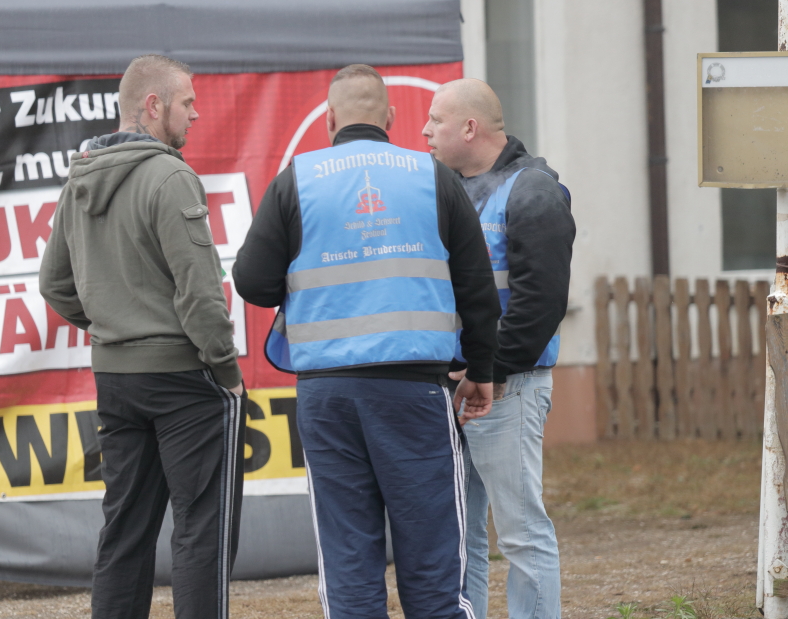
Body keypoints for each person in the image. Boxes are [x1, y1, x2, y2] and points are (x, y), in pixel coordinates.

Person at [234, 64, 500, 619]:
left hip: (327, 396)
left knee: (348, 556)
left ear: (330, 119)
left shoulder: (297, 179)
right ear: (391, 117)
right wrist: (480, 370)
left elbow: (252, 281)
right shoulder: (432, 177)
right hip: (415, 393)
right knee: (433, 557)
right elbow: (478, 289)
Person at [39, 54, 245, 619]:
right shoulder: (171, 176)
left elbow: (54, 284)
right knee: (201, 531)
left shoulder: (79, 179)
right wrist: (227, 373)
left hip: (116, 379)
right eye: (188, 102)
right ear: (153, 106)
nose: (195, 114)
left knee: (125, 530)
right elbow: (201, 294)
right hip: (184, 380)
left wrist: (115, 328)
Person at [422, 78, 575, 619]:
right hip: (454, 386)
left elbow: (541, 304)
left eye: (436, 119)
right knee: (459, 534)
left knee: (521, 532)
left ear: (470, 128)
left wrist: (486, 370)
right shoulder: (448, 189)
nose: (424, 130)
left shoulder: (532, 192)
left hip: (508, 386)